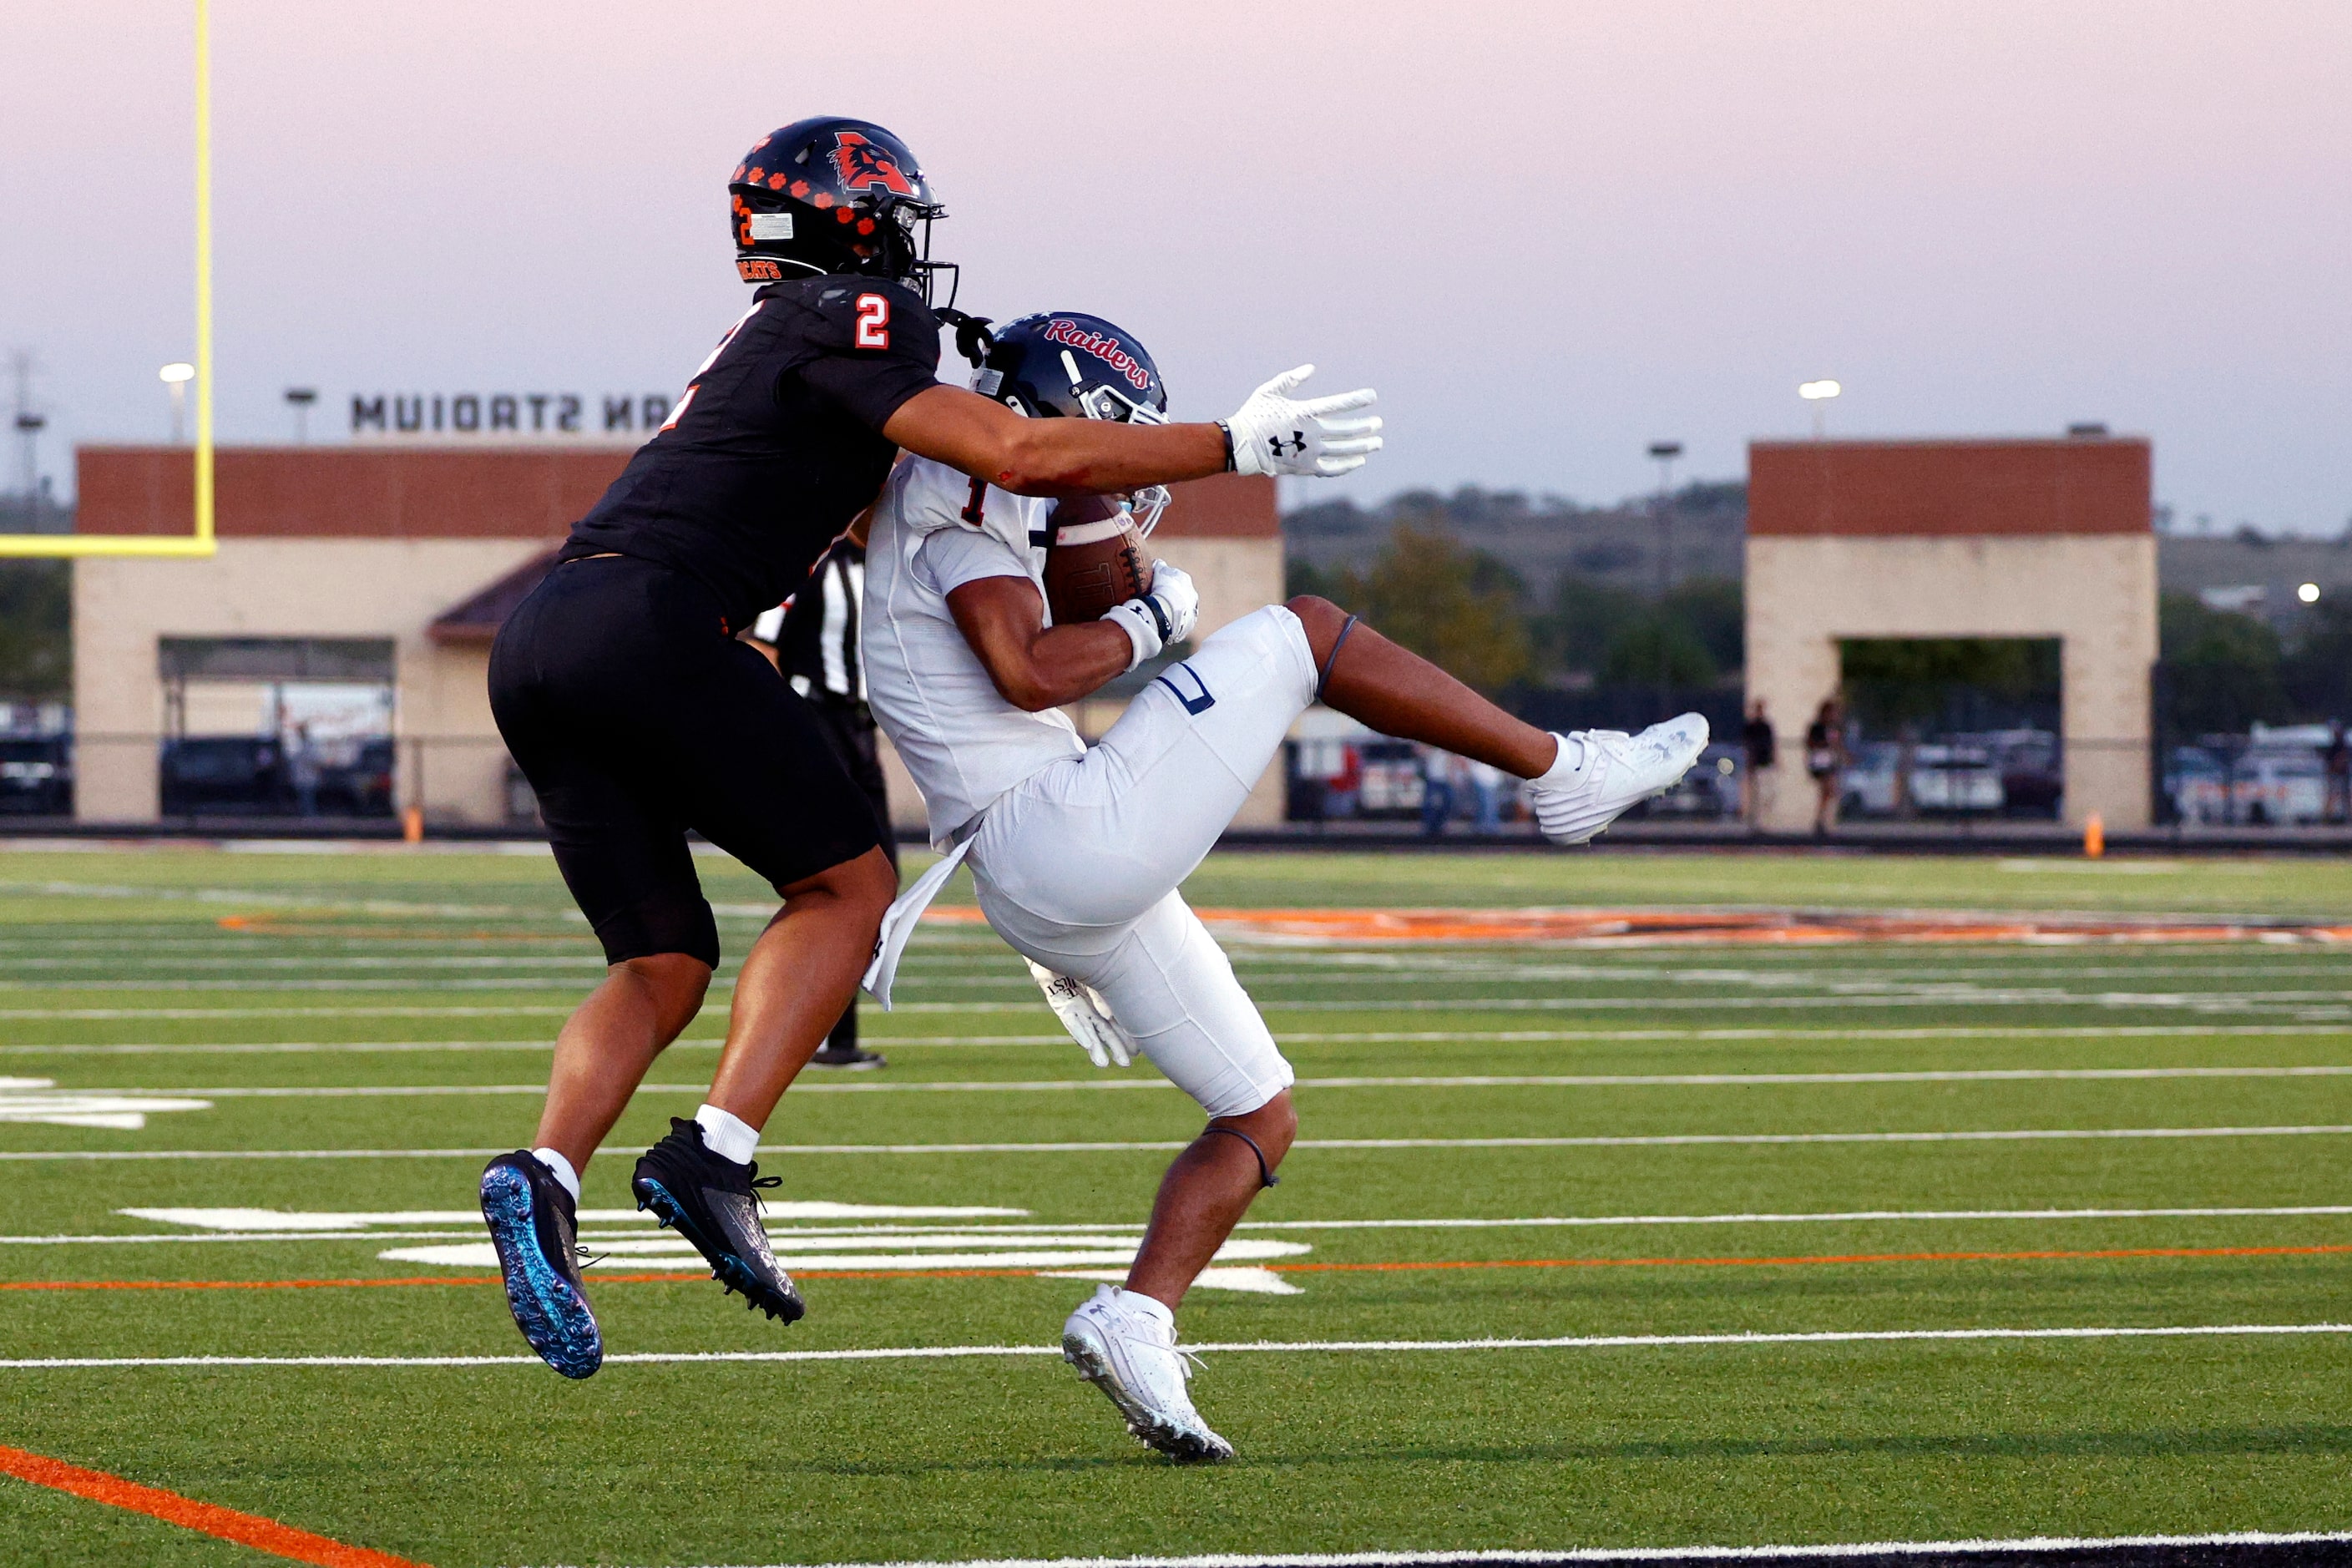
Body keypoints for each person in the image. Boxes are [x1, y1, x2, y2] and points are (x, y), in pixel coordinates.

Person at [477, 119, 1384, 1382]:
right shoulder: (845, 313)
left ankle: (544, 1170)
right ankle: (715, 1157)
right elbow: (1009, 451)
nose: (910, 249)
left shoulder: (760, 349)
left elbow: (930, 488)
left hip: (540, 639)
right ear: (849, 226)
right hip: (662, 622)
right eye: (895, 218)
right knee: (845, 887)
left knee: (662, 959)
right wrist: (1235, 446)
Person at [857, 311, 1705, 1460]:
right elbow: (1023, 670)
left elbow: (1020, 628)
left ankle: (1135, 1314)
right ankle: (1566, 771)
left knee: (1258, 1109)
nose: (1121, 464)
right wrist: (1148, 619)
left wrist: (1107, 578)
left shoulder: (970, 493)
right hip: (1056, 830)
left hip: (1043, 848)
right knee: (1304, 631)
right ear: (1063, 408)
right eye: (1113, 435)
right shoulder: (959, 493)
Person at [753, 539, 893, 1069]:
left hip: (860, 730)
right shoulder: (809, 564)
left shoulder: (888, 564)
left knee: (879, 883)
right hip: (815, 721)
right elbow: (765, 650)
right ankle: (823, 1038)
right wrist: (773, 737)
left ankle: (829, 1036)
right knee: (841, 882)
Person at [1805, 696, 1845, 837]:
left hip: (1829, 762)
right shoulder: (1817, 727)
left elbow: (1838, 746)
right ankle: (1820, 821)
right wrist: (1825, 744)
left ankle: (1822, 820)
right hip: (1819, 763)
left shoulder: (1833, 728)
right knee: (1828, 789)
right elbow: (1811, 743)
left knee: (1829, 792)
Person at [1740, 697, 1775, 830]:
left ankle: (1764, 822)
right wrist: (1749, 762)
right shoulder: (1751, 727)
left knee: (1767, 794)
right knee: (1756, 794)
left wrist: (1775, 760)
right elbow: (1747, 746)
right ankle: (1755, 823)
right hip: (1755, 765)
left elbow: (1771, 745)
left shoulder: (1766, 726)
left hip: (1765, 763)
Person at [2325, 721, 2349, 825]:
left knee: (2343, 795)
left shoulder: (2341, 744)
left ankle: (2345, 816)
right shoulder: (2336, 744)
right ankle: (2329, 816)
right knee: (2333, 795)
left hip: (2341, 773)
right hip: (2337, 773)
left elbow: (2343, 758)